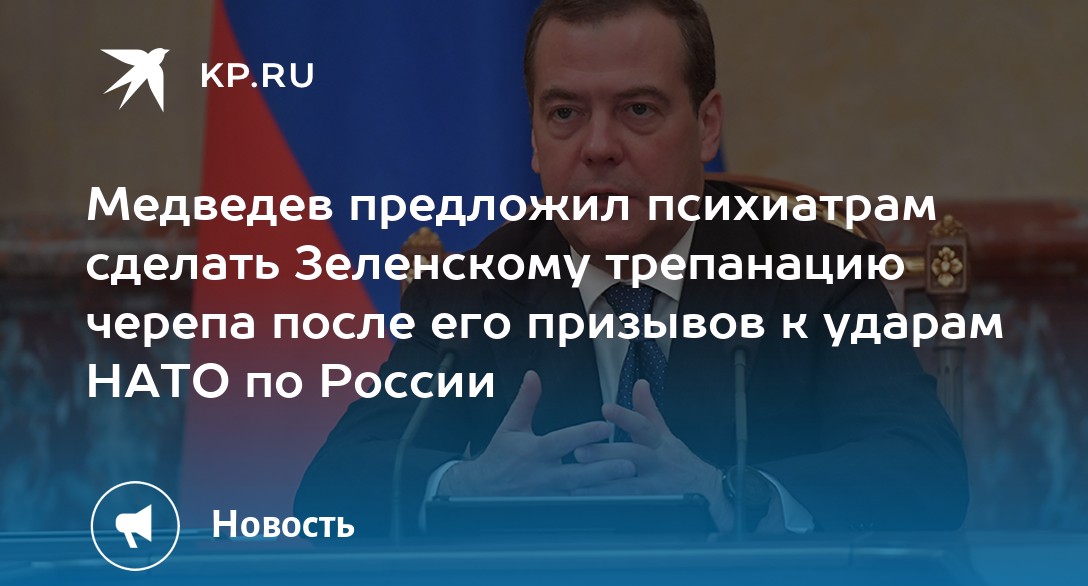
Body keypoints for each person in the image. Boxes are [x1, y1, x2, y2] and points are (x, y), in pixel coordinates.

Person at [295, 0, 968, 537]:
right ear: (534, 138)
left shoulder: (817, 271)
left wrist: (735, 496)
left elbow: (923, 470)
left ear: (707, 125)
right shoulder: (474, 293)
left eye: (637, 110)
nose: (598, 147)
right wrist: (465, 488)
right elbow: (332, 487)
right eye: (565, 114)